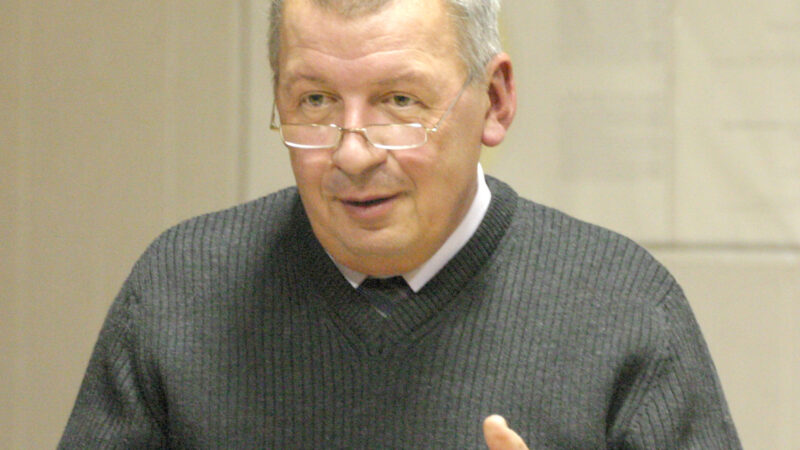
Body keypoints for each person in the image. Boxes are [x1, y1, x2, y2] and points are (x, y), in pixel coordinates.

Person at [59, 0, 741, 448]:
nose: (352, 153)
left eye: (400, 101)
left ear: (495, 101)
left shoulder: (625, 309)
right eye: (316, 101)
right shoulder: (180, 292)